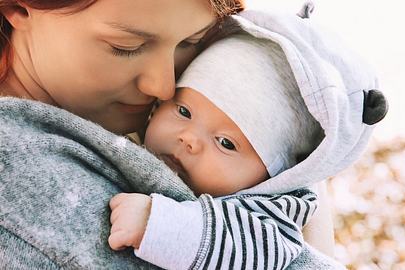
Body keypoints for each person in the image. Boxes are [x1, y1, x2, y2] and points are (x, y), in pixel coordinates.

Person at [0, 0, 341, 269]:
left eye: (191, 42)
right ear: (18, 8)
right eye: (126, 46)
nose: (164, 87)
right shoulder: (21, 173)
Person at [106, 6, 387, 267]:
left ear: (273, 176)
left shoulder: (271, 211)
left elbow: (262, 251)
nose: (189, 139)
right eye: (183, 111)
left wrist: (159, 226)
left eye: (226, 143)